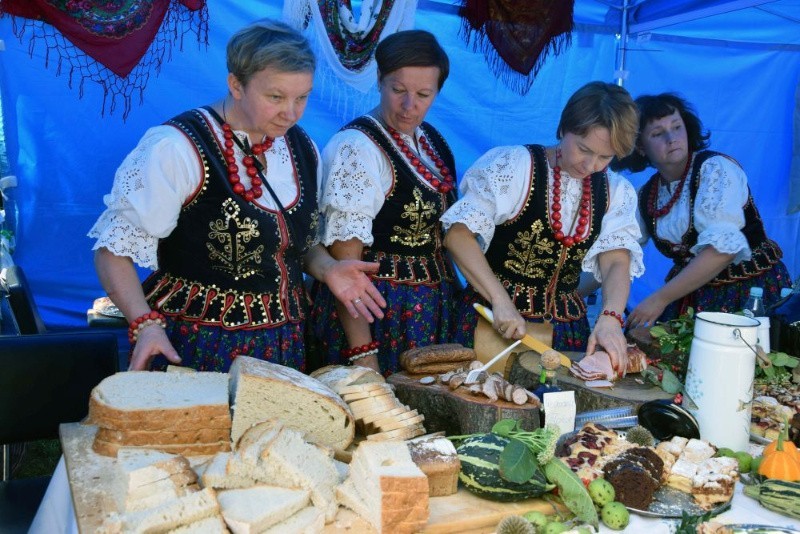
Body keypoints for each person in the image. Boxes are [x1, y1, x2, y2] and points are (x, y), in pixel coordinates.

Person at [89, 19, 385, 373]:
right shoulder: (175, 148)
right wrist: (144, 323)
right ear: (236, 85)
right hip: (197, 346)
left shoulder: (301, 146)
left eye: (302, 97)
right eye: (275, 97)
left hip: (284, 346)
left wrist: (329, 268)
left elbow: (295, 246)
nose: (291, 112)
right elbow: (113, 251)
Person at [441, 81, 644, 373]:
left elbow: (616, 259)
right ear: (563, 129)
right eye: (584, 149)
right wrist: (500, 300)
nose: (590, 165)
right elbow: (458, 237)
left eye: (605, 157)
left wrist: (611, 317)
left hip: (564, 333)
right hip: (492, 323)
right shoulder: (516, 167)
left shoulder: (616, 191)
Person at [309, 30, 458, 375]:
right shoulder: (357, 148)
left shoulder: (432, 141)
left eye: (424, 94)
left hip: (429, 314)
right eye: (398, 90)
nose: (409, 106)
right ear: (379, 80)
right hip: (376, 315)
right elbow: (347, 266)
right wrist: (364, 354)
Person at [613, 93, 792, 328]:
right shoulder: (646, 195)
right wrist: (568, 290)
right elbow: (615, 252)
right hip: (690, 297)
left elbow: (722, 250)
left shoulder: (715, 170)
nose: (671, 138)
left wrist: (659, 298)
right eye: (657, 133)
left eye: (677, 127)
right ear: (640, 147)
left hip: (748, 292)